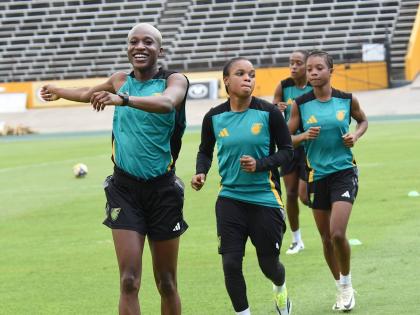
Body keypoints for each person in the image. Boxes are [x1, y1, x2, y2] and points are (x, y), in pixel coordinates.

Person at [40, 23, 189, 315]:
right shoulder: (120, 79)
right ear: (128, 48)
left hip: (163, 190)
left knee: (167, 282)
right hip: (124, 191)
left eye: (148, 42)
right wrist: (59, 90)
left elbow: (168, 103)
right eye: (134, 42)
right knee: (129, 281)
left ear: (161, 50)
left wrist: (124, 100)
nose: (140, 47)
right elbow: (87, 93)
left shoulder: (175, 80)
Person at [191, 57, 294, 315]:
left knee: (269, 266)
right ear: (226, 80)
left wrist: (260, 164)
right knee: (231, 263)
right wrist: (200, 172)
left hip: (265, 198)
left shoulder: (269, 113)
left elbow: (287, 152)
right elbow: (205, 150)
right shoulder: (213, 117)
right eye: (241, 73)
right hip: (230, 198)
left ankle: (280, 289)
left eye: (252, 74)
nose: (248, 78)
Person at [288, 50, 368, 312]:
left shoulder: (346, 99)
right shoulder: (301, 103)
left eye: (318, 68)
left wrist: (355, 136)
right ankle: (339, 287)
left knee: (337, 233)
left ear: (330, 71)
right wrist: (303, 137)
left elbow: (363, 121)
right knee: (325, 239)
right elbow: (286, 138)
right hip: (316, 175)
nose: (312, 73)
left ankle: (347, 285)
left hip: (344, 172)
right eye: (309, 69)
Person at [273, 50, 313, 255]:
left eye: (298, 63)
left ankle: (331, 225)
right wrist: (276, 108)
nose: (294, 66)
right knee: (290, 194)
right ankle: (296, 240)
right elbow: (273, 112)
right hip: (290, 147)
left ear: (307, 66)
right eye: (291, 63)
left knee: (305, 196)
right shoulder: (284, 86)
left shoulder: (315, 86)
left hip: (309, 147)